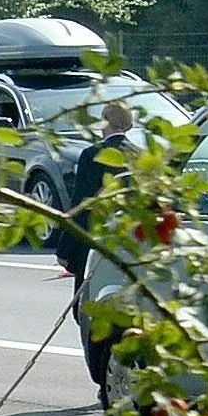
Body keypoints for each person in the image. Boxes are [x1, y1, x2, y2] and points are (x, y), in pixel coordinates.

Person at [54, 98, 136, 280]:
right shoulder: (139, 155)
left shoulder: (92, 155)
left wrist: (65, 249)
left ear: (104, 122)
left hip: (95, 239)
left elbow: (82, 204)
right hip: (128, 240)